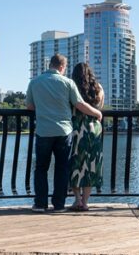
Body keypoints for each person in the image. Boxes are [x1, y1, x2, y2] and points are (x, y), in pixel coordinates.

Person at [25, 53, 102, 211]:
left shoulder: (34, 82)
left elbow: (30, 106)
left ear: (50, 65)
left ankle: (40, 204)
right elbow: (79, 104)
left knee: (41, 168)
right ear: (61, 67)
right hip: (64, 131)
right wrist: (97, 113)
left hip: (43, 130)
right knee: (62, 167)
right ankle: (59, 204)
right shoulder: (67, 83)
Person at [68, 62, 104, 211]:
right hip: (94, 128)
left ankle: (77, 200)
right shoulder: (98, 88)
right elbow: (100, 107)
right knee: (91, 165)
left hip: (77, 128)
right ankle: (85, 202)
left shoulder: (71, 87)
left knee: (76, 164)